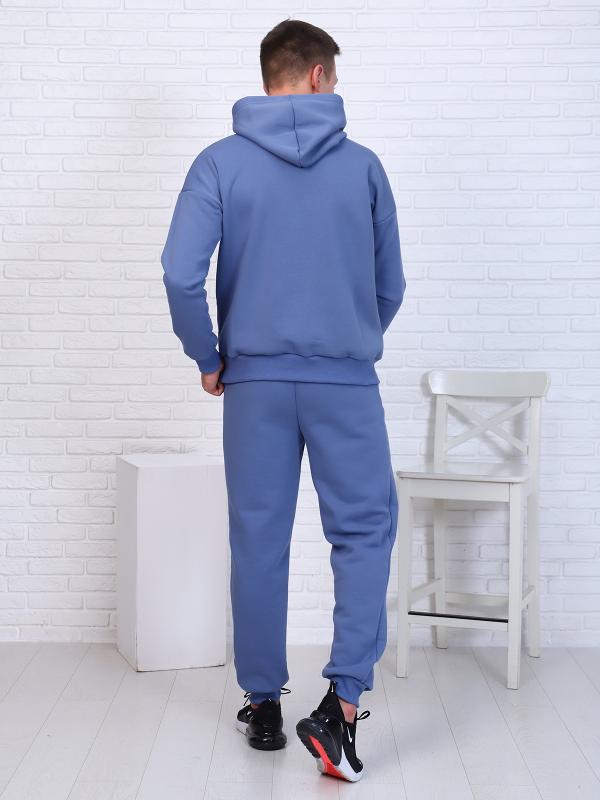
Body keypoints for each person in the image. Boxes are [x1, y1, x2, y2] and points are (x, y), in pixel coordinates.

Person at [161, 18, 406, 783]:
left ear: (272, 74)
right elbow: (391, 285)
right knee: (363, 533)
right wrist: (349, 335)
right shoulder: (363, 167)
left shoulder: (219, 163)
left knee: (259, 538)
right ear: (320, 76)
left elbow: (179, 273)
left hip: (254, 385)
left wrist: (210, 357)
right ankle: (342, 706)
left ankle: (263, 703)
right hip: (345, 384)